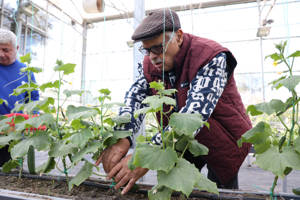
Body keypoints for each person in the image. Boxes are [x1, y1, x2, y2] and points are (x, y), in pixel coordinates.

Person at [96, 9, 252, 195]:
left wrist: (147, 157)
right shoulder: (149, 63)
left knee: (219, 191)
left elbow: (193, 116)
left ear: (178, 36)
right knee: (175, 184)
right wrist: (123, 135)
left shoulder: (211, 56)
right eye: (146, 50)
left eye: (158, 47)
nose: (152, 56)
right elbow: (135, 98)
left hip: (223, 136)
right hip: (179, 141)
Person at [0, 28, 39, 166]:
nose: (1, 54)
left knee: (11, 171)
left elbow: (33, 100)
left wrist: (34, 119)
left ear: (16, 48)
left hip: (15, 133)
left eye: (5, 50)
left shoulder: (26, 72)